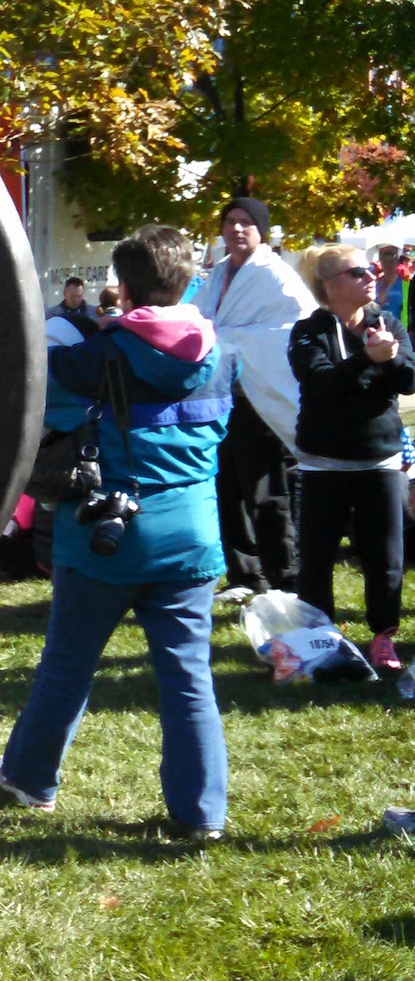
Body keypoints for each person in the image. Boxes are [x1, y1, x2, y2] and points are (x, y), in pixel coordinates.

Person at [0, 225, 231, 839]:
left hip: (111, 533)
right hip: (191, 533)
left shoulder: (103, 351)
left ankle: (30, 778)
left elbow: (34, 381)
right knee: (188, 678)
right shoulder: (216, 350)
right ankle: (201, 811)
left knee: (68, 664)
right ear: (188, 279)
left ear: (123, 287)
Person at [288, 244, 415, 672]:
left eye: (372, 270)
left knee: (385, 558)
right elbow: (320, 382)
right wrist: (367, 359)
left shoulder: (387, 323)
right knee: (316, 558)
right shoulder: (308, 331)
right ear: (329, 286)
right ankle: (321, 640)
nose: (371, 277)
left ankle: (383, 638)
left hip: (379, 459)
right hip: (322, 462)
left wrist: (391, 357)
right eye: (358, 272)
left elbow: (411, 380)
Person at [192, 196, 314, 603]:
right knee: (227, 486)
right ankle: (245, 573)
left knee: (266, 490)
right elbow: (203, 319)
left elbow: (292, 328)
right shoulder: (217, 274)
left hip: (261, 397)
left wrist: (231, 339)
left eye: (247, 222)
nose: (237, 229)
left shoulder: (274, 275)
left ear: (261, 231)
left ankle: (285, 574)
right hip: (223, 398)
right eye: (230, 221)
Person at [377, 244, 409, 321]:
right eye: (385, 261)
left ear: (397, 262)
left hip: (399, 329)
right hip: (376, 328)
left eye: (391, 261)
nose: (388, 265)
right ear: (380, 262)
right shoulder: (375, 283)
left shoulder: (405, 284)